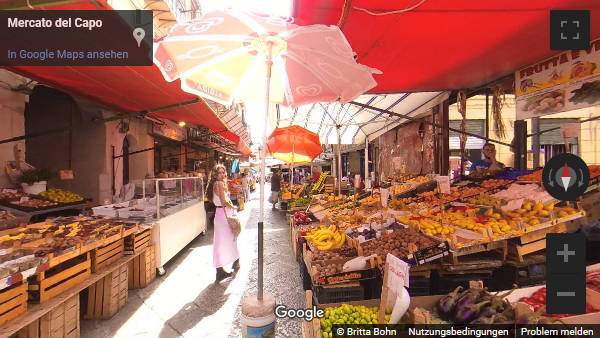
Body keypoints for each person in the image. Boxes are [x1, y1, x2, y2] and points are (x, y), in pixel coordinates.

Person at [206, 164, 240, 282]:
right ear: (215, 174)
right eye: (219, 172)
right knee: (230, 238)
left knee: (221, 242)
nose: (222, 174)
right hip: (224, 214)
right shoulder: (219, 184)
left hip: (219, 214)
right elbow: (224, 201)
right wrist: (234, 207)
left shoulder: (214, 184)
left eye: (223, 172)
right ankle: (233, 262)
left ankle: (224, 267)